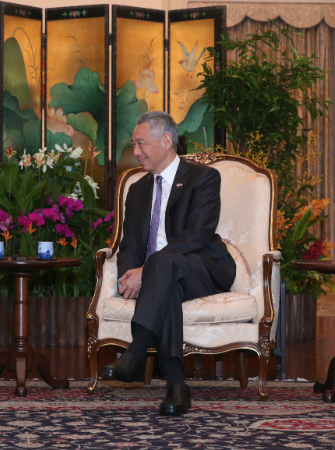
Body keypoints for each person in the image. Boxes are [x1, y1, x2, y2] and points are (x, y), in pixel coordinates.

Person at [100, 111, 236, 416]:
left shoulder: (203, 178)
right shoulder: (137, 190)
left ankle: (135, 353)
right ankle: (176, 386)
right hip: (167, 278)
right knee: (165, 283)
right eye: (133, 145)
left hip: (203, 268)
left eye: (140, 144)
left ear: (166, 140)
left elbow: (197, 236)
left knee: (161, 263)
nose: (135, 152)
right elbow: (129, 244)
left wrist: (146, 271)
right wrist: (128, 277)